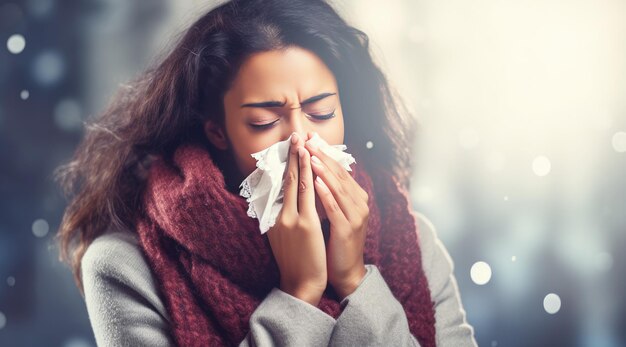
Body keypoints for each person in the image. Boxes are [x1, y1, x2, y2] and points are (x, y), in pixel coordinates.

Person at [54, 0, 478, 346]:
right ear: (217, 131)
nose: (301, 139)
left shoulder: (413, 240)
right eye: (263, 122)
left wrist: (354, 281)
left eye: (321, 112)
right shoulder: (126, 265)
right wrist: (300, 294)